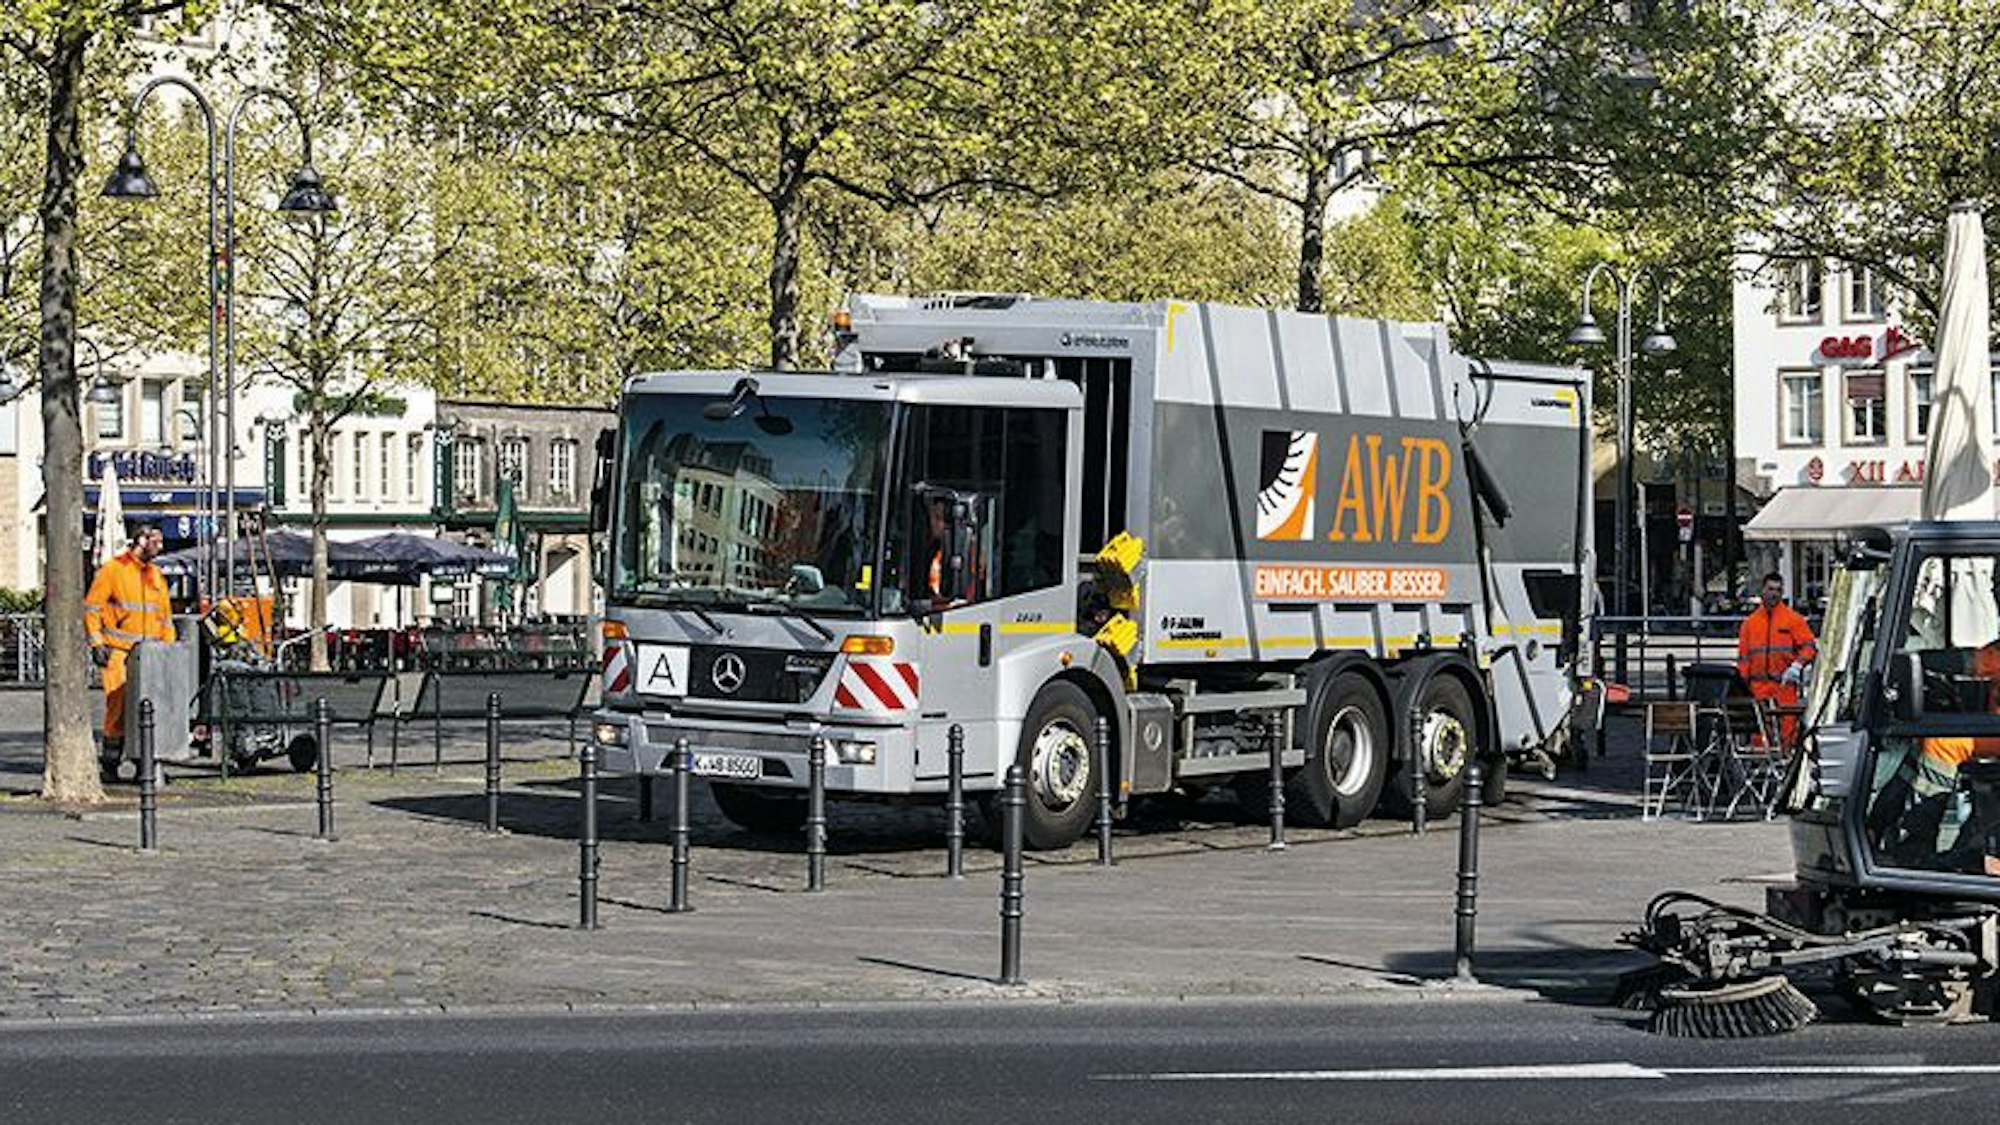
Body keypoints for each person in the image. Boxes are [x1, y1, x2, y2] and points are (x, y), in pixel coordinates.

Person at [83, 521, 174, 782]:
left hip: (151, 655)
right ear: (140, 540)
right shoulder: (113, 570)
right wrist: (97, 642)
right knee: (118, 706)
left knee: (148, 707)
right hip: (119, 652)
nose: (159, 546)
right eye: (155, 541)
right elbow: (92, 608)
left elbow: (164, 618)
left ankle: (143, 763)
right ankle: (110, 764)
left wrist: (168, 650)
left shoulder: (156, 575)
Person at [1736, 571, 1817, 745]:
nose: (1774, 594)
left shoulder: (1793, 620)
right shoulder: (1749, 624)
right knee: (1759, 735)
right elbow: (1743, 659)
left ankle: (1785, 765)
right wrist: (1741, 688)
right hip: (1757, 688)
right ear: (1762, 591)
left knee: (1787, 732)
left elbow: (1809, 646)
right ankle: (1760, 768)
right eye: (1771, 589)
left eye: (1778, 590)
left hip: (1784, 686)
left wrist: (1797, 666)